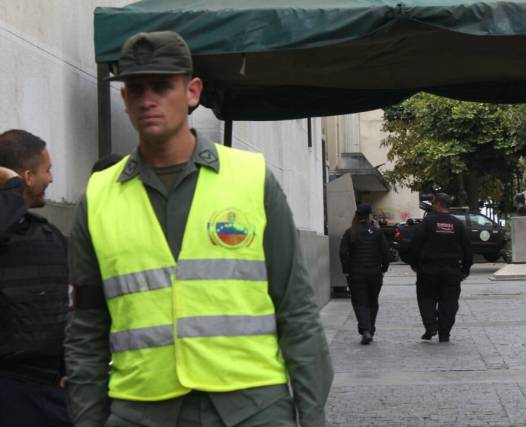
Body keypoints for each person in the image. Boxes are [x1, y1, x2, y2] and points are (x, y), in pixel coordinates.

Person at [64, 31, 333, 427]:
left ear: (192, 92)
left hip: (252, 409)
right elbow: (86, 327)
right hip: (140, 409)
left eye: (161, 86)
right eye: (135, 89)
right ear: (124, 100)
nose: (147, 100)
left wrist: (311, 416)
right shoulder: (100, 195)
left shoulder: (250, 178)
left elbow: (296, 307)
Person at [0, 130, 72, 426]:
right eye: (48, 170)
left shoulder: (46, 233)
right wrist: (11, 189)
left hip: (49, 387)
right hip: (12, 387)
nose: (52, 179)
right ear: (27, 177)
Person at [408, 193, 472, 343]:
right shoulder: (457, 225)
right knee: (449, 302)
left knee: (426, 299)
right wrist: (465, 270)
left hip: (428, 271)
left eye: (433, 203)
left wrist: (414, 264)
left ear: (437, 204)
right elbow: (468, 250)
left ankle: (430, 325)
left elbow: (414, 245)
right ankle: (444, 333)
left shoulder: (427, 223)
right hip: (451, 271)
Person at [339, 203, 391, 345]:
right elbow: (386, 253)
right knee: (372, 302)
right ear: (369, 216)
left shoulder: (350, 232)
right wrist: (384, 268)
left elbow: (343, 253)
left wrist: (347, 270)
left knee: (360, 302)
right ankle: (370, 329)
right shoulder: (377, 232)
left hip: (356, 274)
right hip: (375, 273)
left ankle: (366, 329)